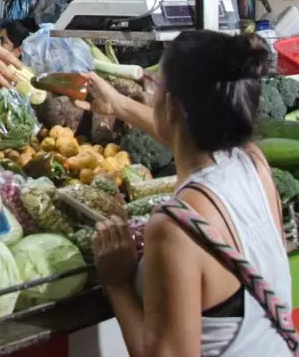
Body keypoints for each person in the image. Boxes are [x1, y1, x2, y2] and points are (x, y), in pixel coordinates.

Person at [83, 31, 292, 357]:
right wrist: (119, 105)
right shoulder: (252, 163)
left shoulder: (176, 227)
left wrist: (116, 282)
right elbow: (185, 138)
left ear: (172, 106)